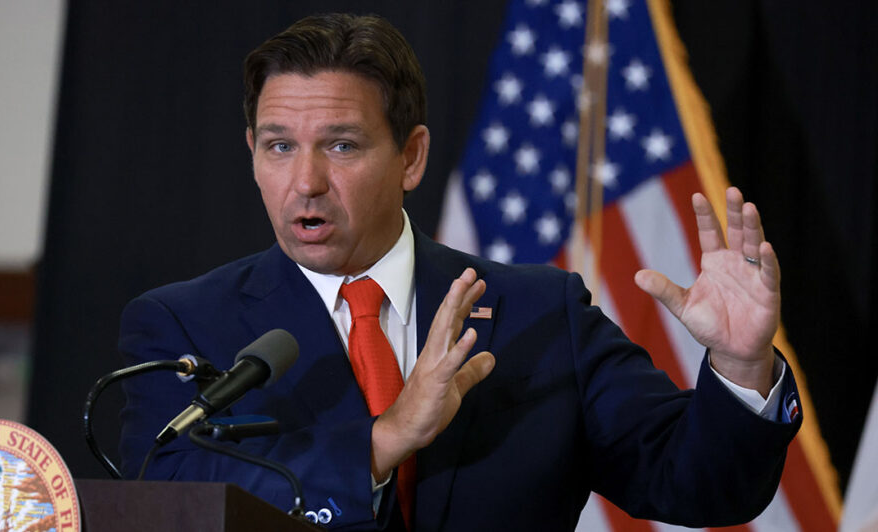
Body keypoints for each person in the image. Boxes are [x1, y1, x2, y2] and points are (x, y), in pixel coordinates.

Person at [118, 13, 800, 531]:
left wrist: (740, 367)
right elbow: (166, 496)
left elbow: (699, 486)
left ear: (411, 158)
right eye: (278, 147)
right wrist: (382, 442)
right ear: (251, 151)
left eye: (342, 145)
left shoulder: (540, 314)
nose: (306, 182)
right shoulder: (185, 325)